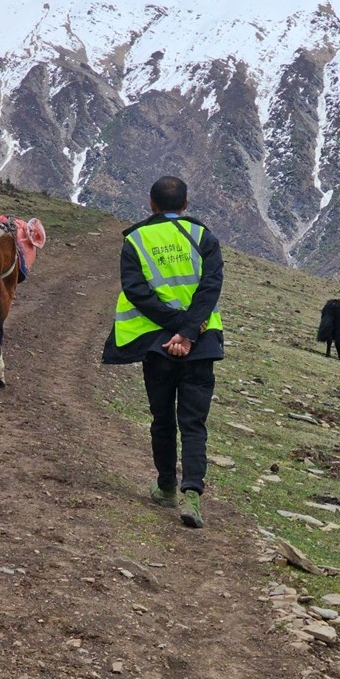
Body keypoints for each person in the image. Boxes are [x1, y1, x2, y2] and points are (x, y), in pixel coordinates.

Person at [102, 175, 224, 528]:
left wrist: (175, 329)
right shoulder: (204, 237)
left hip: (158, 345)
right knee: (193, 422)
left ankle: (167, 487)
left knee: (163, 419)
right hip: (201, 343)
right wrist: (189, 331)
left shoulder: (136, 240)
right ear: (185, 204)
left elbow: (136, 291)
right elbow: (211, 287)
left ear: (151, 204)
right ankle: (193, 494)